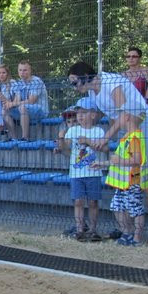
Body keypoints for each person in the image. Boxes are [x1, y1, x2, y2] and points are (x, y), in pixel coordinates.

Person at [67, 60, 148, 208]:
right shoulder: (93, 93)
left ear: (85, 76)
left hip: (143, 125)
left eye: (75, 83)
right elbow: (113, 116)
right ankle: (130, 227)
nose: (74, 88)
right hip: (127, 131)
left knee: (146, 174)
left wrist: (106, 138)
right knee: (129, 177)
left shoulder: (111, 82)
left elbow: (125, 113)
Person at [92, 111, 148, 246]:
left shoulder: (135, 137)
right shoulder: (127, 138)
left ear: (127, 117)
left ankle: (137, 238)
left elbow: (136, 160)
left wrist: (119, 160)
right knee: (117, 207)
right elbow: (116, 159)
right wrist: (102, 164)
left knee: (136, 209)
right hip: (122, 183)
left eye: (120, 116)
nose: (117, 120)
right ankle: (127, 233)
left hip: (132, 181)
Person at [55, 98, 106, 242]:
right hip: (76, 174)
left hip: (93, 172)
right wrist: (61, 140)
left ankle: (93, 229)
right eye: (78, 113)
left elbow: (106, 148)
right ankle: (79, 229)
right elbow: (66, 148)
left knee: (93, 202)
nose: (80, 116)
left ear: (93, 115)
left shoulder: (98, 131)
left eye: (84, 112)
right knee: (78, 201)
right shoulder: (73, 130)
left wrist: (89, 142)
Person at [3, 60, 48, 140]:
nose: (22, 72)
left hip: (40, 111)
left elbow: (31, 101)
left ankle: (25, 137)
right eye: (20, 70)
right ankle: (13, 138)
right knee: (4, 111)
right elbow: (16, 100)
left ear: (30, 70)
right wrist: (9, 103)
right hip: (24, 111)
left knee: (22, 107)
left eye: (25, 70)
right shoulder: (19, 83)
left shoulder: (36, 81)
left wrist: (13, 104)